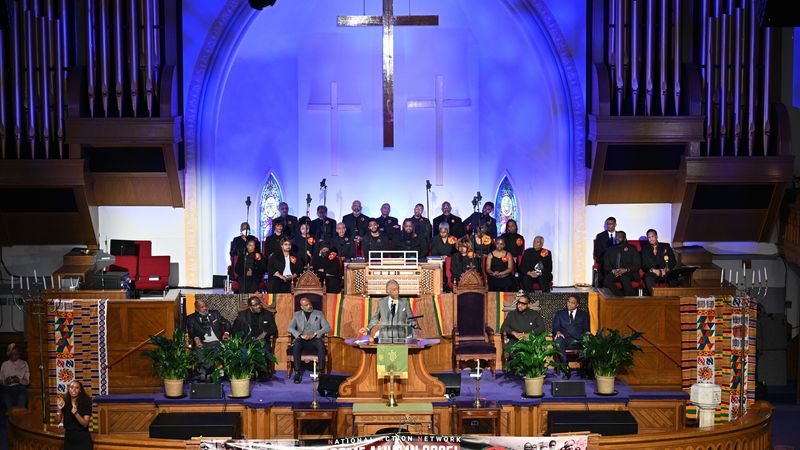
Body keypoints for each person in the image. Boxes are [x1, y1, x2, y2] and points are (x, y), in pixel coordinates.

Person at [232, 296, 277, 381]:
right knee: (244, 350)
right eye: (255, 305)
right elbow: (235, 329)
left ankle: (262, 373)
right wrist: (241, 340)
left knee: (262, 348)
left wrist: (264, 333)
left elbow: (273, 328)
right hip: (246, 340)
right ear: (250, 307)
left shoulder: (267, 313)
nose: (258, 306)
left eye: (259, 304)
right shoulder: (242, 315)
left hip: (262, 340)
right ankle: (249, 372)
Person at [288, 297, 331, 383]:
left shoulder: (319, 314)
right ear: (301, 307)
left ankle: (320, 372)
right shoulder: (297, 314)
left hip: (315, 338)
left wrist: (315, 334)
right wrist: (300, 335)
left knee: (321, 345)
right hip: (302, 338)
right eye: (306, 305)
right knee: (296, 344)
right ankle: (297, 373)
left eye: (309, 304)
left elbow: (327, 327)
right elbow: (290, 328)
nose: (309, 306)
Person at [187, 298, 231, 381]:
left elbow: (227, 323)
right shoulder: (191, 318)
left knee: (214, 349)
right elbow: (191, 331)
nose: (205, 308)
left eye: (205, 306)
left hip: (215, 341)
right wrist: (196, 338)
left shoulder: (215, 314)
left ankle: (205, 373)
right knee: (200, 350)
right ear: (197, 309)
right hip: (202, 342)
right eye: (202, 307)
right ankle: (208, 373)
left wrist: (226, 333)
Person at [552, 296, 590, 369]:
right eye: (568, 302)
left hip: (579, 341)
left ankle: (585, 369)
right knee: (558, 340)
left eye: (572, 303)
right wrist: (558, 332)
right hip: (565, 340)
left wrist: (586, 336)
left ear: (577, 305)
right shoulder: (559, 314)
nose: (569, 304)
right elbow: (555, 328)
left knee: (589, 341)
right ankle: (565, 366)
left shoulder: (584, 315)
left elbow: (586, 330)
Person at [56, 380, 93, 450]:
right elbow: (57, 421)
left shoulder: (86, 401)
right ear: (68, 389)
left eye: (76, 388)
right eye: (71, 387)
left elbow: (85, 424)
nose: (73, 390)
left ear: (80, 390)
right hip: (69, 439)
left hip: (82, 439)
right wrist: (59, 409)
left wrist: (76, 414)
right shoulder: (64, 401)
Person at [603, 231, 642, 296]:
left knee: (624, 277)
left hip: (629, 272)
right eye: (616, 237)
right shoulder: (610, 249)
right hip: (616, 272)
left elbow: (637, 264)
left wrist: (625, 270)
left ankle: (631, 297)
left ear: (625, 239)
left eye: (619, 237)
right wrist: (613, 270)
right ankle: (620, 297)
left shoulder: (632, 248)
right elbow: (606, 265)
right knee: (607, 280)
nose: (617, 238)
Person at [641, 229, 677, 295]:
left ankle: (675, 298)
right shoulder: (645, 249)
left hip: (665, 272)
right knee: (647, 277)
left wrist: (666, 269)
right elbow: (644, 265)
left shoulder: (666, 246)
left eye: (652, 236)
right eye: (649, 237)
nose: (651, 239)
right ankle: (655, 298)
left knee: (674, 276)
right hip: (653, 273)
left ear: (656, 236)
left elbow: (673, 261)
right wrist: (653, 270)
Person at [1, 343, 29, 410]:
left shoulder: (24, 363)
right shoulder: (4, 364)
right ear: (8, 354)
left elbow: (27, 381)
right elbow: (1, 380)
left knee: (20, 410)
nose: (13, 356)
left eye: (16, 354)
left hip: (20, 389)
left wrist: (19, 380)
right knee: (9, 410)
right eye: (11, 354)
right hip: (7, 389)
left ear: (19, 354)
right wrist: (6, 381)